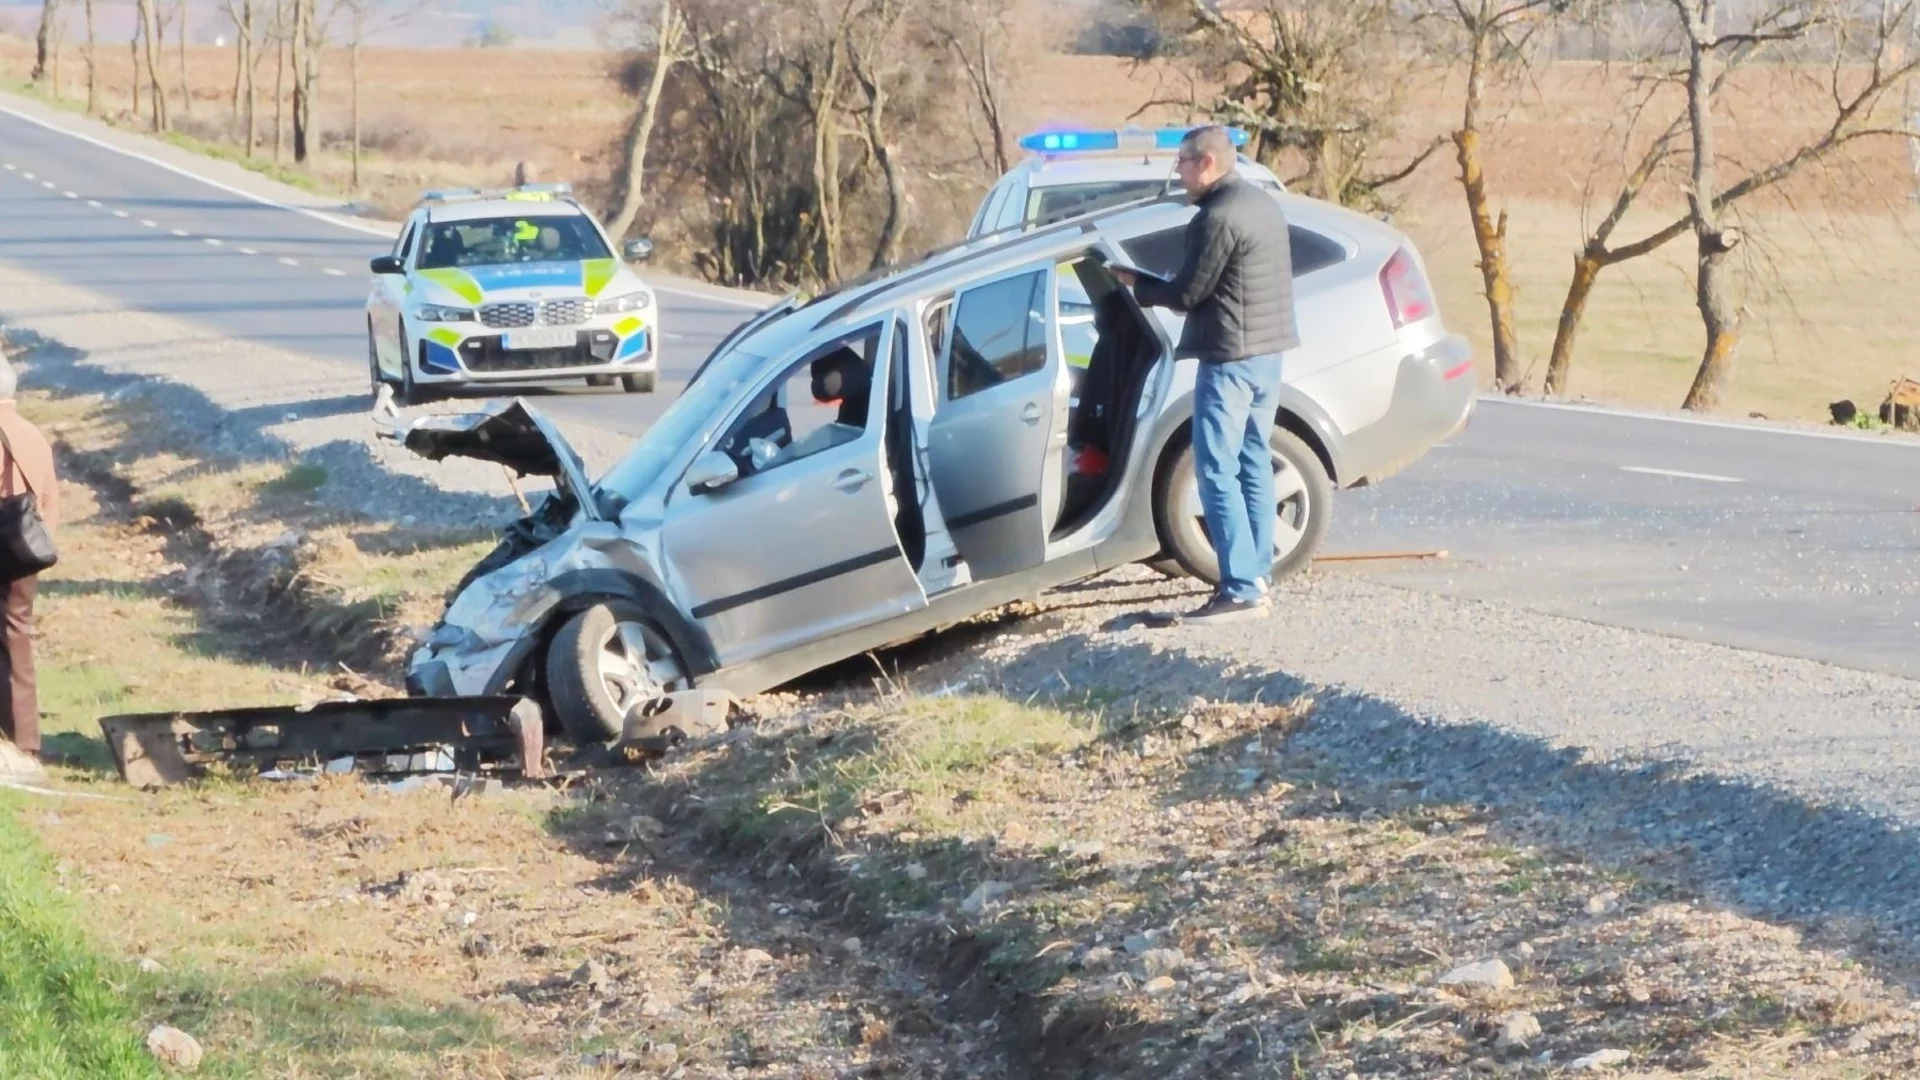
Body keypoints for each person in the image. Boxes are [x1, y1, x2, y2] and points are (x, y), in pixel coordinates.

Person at [1112, 125, 1299, 625]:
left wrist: (1139, 286)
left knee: (1215, 468)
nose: (1178, 171)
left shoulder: (1215, 217)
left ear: (1207, 164)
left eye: (1183, 162)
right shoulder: (1261, 204)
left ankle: (1239, 588)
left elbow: (1188, 295)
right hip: (1267, 355)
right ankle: (1256, 574)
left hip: (1230, 358)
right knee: (1252, 461)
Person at [0, 356, 57, 762]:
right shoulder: (34, 434)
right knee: (15, 636)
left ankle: (15, 743)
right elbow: (50, 500)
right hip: (26, 551)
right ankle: (24, 742)